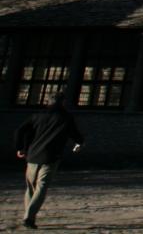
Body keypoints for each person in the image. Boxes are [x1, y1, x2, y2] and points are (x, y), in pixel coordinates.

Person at [13, 93, 85, 230]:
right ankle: (29, 217)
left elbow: (19, 131)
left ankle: (29, 214)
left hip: (33, 155)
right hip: (51, 157)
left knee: (31, 187)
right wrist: (79, 143)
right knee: (42, 186)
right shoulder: (65, 118)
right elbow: (75, 134)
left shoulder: (37, 116)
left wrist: (20, 148)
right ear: (63, 103)